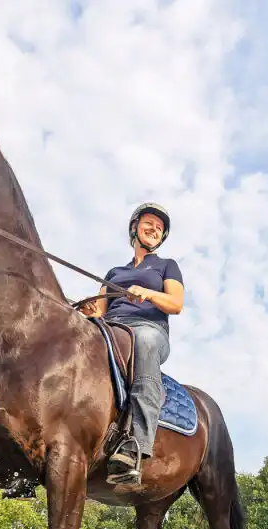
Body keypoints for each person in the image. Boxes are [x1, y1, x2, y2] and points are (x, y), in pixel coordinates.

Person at [84, 203, 184, 484]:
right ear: (134, 228)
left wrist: (148, 293)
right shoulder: (114, 272)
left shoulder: (167, 266)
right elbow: (100, 311)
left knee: (145, 339)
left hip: (149, 330)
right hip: (111, 328)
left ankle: (135, 445)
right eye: (149, 223)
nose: (154, 229)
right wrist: (89, 312)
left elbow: (176, 304)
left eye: (159, 227)